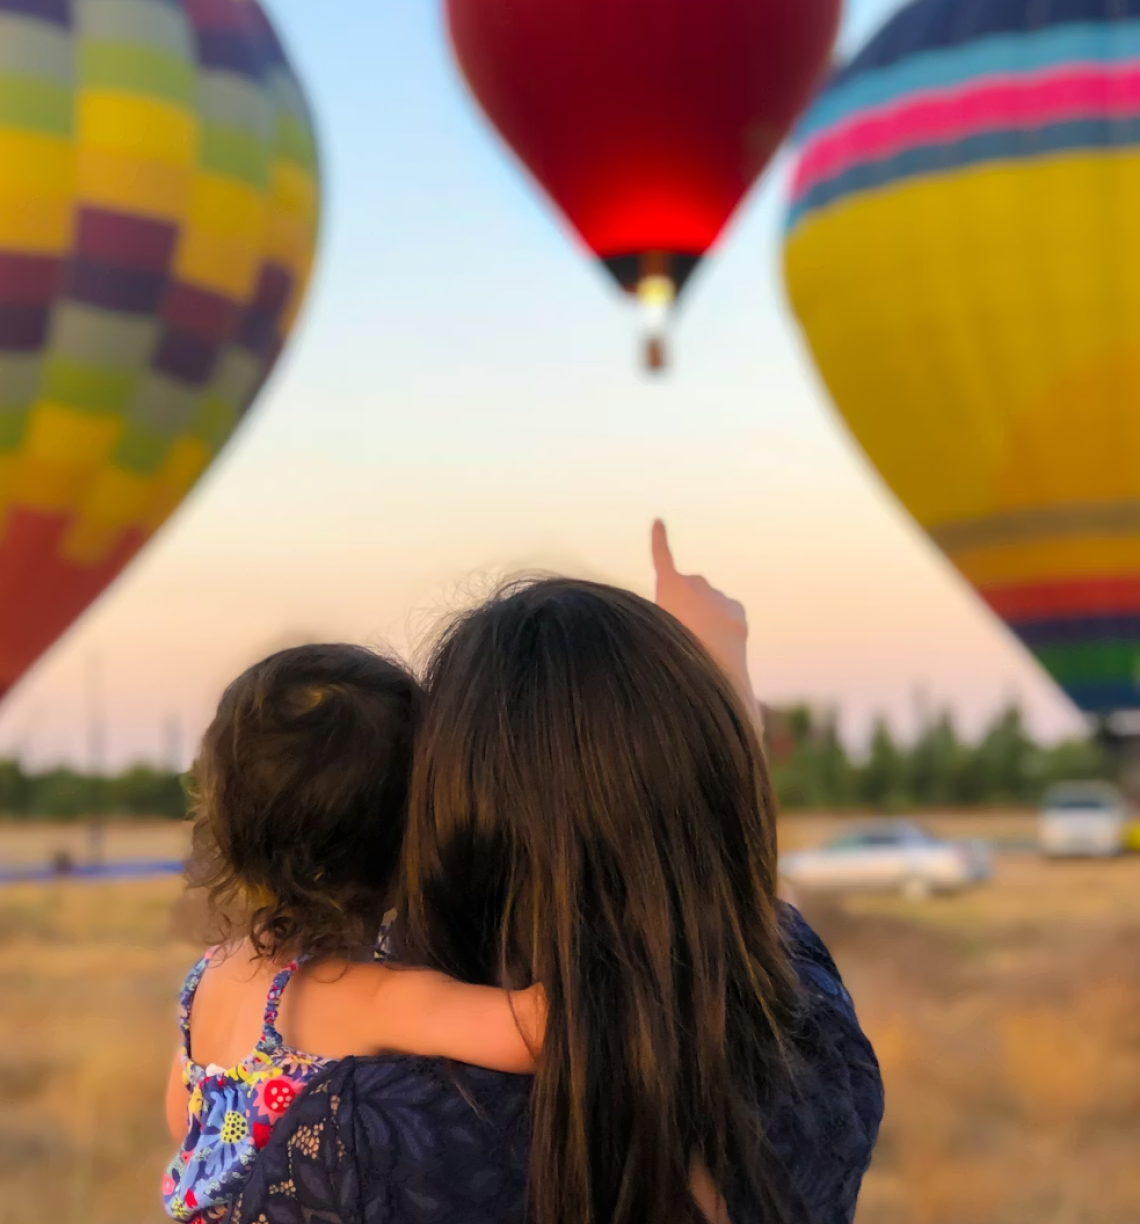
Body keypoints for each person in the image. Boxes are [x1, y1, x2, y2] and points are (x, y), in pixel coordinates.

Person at [232, 524, 883, 1224]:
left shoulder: (365, 1142)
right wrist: (710, 683)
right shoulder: (817, 1052)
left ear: (453, 831)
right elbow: (740, 894)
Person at [165, 645, 544, 1224]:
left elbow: (185, 1121)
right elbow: (539, 1030)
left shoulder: (211, 974)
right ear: (417, 828)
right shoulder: (376, 997)